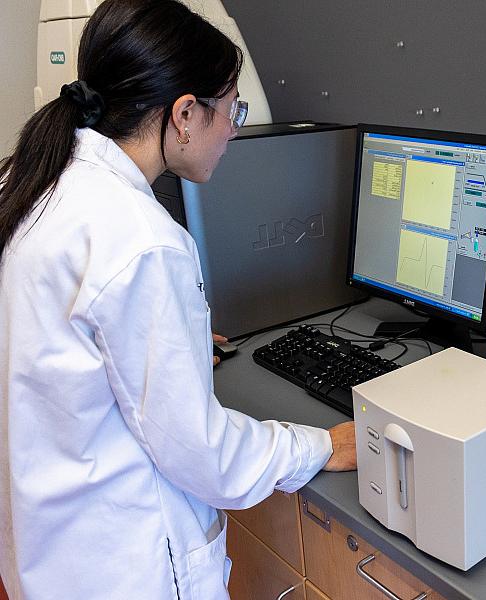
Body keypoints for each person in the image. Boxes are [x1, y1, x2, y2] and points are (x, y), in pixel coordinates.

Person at [0, 1, 356, 598]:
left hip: (49, 551)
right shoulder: (142, 240)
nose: (236, 129)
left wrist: (175, 345)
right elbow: (206, 455)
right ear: (185, 114)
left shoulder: (37, 180)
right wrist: (318, 445)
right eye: (231, 109)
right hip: (122, 566)